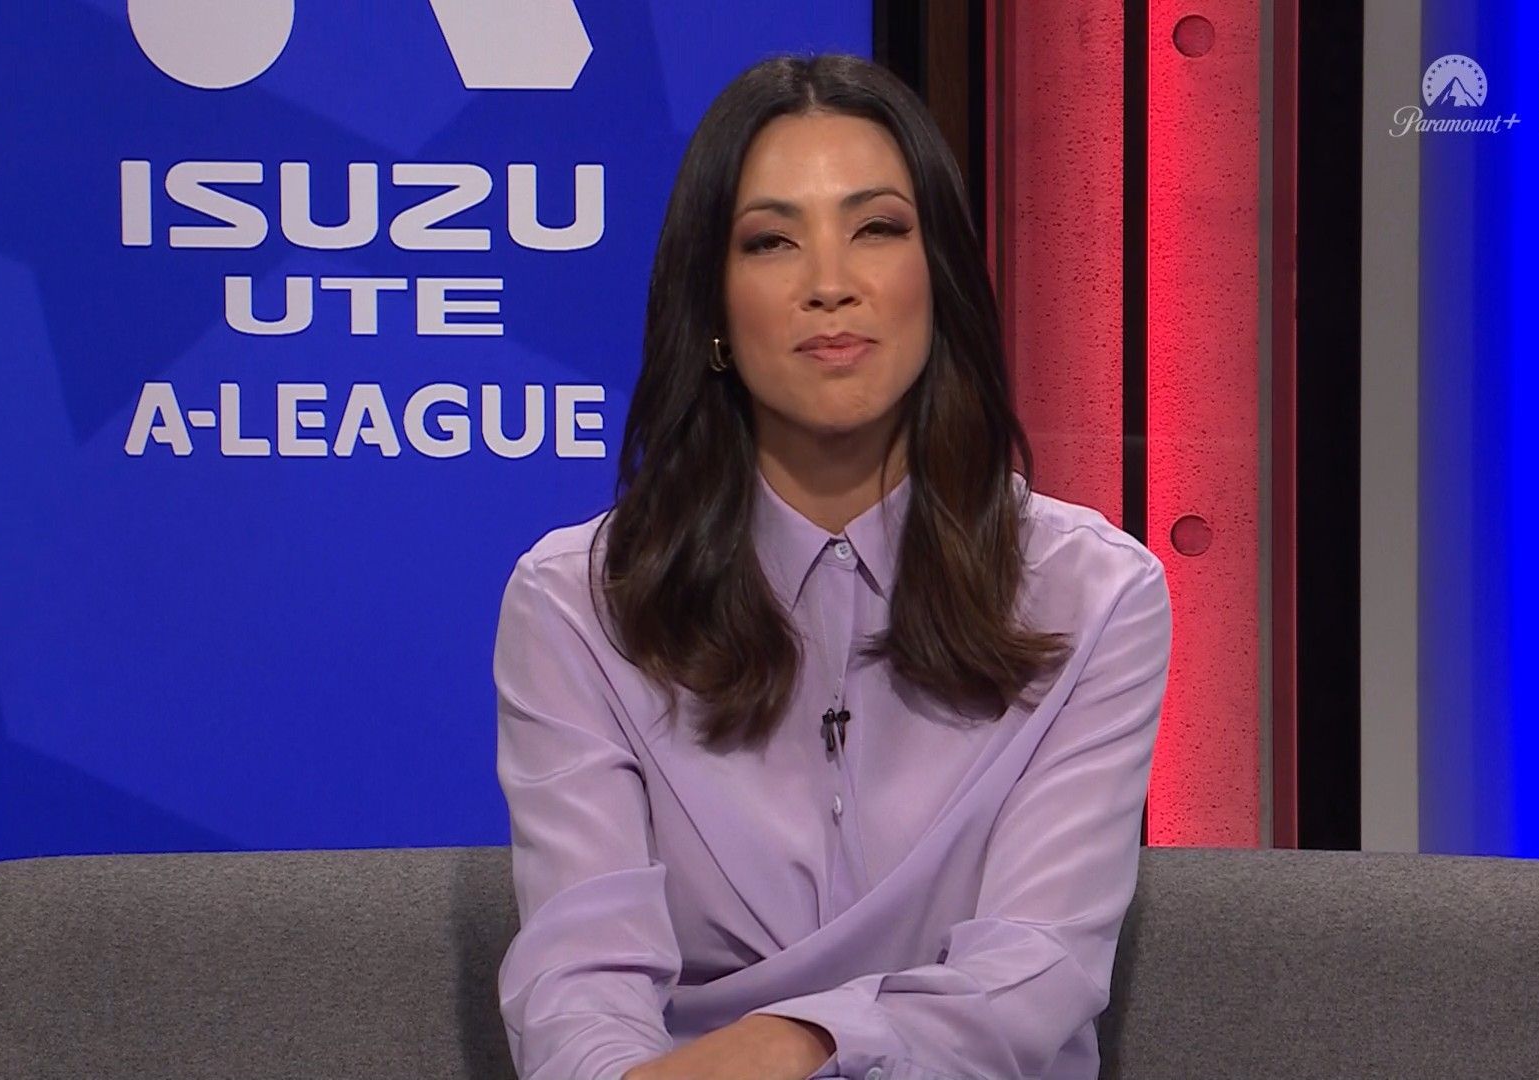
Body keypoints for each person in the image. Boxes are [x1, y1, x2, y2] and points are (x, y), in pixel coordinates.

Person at [493, 52, 1172, 1080]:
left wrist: (796, 1043)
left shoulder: (1096, 598)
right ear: (713, 313)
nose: (829, 286)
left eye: (877, 229)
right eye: (772, 241)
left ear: (938, 279)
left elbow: (1032, 978)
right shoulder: (579, 607)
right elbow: (578, 982)